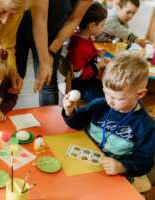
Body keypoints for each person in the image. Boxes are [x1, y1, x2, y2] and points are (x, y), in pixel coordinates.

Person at [62, 53, 155, 189]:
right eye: (106, 93)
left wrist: (122, 167)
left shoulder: (145, 126)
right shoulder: (100, 104)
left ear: (140, 94)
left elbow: (143, 163)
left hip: (115, 173)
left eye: (118, 98)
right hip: (86, 162)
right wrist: (70, 111)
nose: (110, 101)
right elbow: (77, 123)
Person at [16, 0, 93, 106]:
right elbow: (40, 19)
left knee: (48, 81)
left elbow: (74, 20)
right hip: (19, 30)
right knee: (15, 76)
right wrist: (44, 61)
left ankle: (48, 121)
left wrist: (51, 52)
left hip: (52, 35)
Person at [67, 2, 109, 102]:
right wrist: (98, 66)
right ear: (92, 26)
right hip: (82, 85)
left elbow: (87, 54)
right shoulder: (80, 48)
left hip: (88, 80)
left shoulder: (81, 38)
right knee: (103, 99)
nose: (104, 28)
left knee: (109, 90)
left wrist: (97, 53)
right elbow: (77, 75)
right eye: (102, 25)